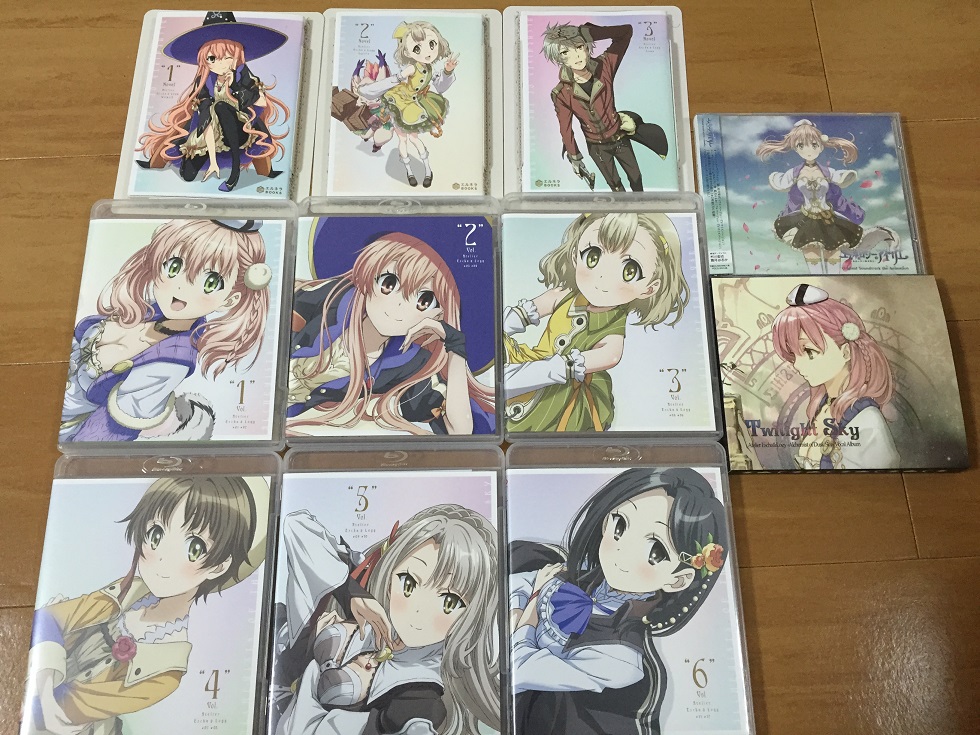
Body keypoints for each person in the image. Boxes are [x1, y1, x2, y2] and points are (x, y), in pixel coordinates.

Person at [24, 476, 266, 735]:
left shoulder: (165, 671)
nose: (162, 558)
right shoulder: (126, 592)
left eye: (194, 548)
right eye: (155, 534)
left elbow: (72, 708)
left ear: (219, 566)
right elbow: (47, 618)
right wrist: (43, 689)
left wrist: (41, 690)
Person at [509, 467, 728, 734]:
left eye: (655, 551)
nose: (622, 550)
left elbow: (518, 669)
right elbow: (514, 584)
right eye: (620, 525)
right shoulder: (580, 572)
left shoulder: (621, 658)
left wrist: (530, 606)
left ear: (677, 579)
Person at [272, 505, 500, 735]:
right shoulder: (365, 594)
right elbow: (296, 524)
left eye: (449, 601)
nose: (418, 610)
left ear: (472, 614)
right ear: (390, 571)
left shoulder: (420, 694)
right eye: (408, 582)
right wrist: (351, 593)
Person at [62, 219, 272, 443]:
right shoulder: (148, 309)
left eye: (210, 282)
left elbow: (110, 430)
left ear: (229, 300)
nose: (180, 286)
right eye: (174, 267)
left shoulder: (170, 362)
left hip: (67, 429)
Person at [287, 232, 495, 436]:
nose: (399, 306)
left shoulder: (408, 364)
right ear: (368, 273)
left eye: (423, 301)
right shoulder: (330, 300)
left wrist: (455, 344)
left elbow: (460, 431)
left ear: (439, 314)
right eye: (389, 284)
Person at [502, 212, 688, 432]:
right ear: (575, 255)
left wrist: (562, 367)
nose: (603, 277)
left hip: (565, 385)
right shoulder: (565, 295)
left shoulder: (613, 321)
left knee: (529, 409)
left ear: (649, 288)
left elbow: (610, 355)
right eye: (593, 256)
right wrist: (504, 324)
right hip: (536, 360)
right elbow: (529, 310)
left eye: (629, 271)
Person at [137, 11, 291, 192]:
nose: (221, 64)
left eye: (228, 57)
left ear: (238, 57)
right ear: (205, 60)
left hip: (241, 130)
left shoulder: (246, 79)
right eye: (212, 58)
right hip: (209, 133)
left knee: (225, 109)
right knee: (187, 172)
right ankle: (156, 164)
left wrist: (236, 88)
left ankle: (242, 172)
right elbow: (204, 119)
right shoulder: (204, 83)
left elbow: (260, 106)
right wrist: (212, 160)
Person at [771, 283, 900, 469]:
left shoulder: (867, 421)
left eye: (809, 351)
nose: (797, 364)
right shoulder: (823, 407)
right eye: (793, 354)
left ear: (846, 352)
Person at [757, 119, 898, 274]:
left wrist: (847, 177)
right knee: (812, 257)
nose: (808, 150)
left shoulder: (827, 172)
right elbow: (780, 183)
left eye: (814, 144)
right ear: (795, 148)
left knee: (833, 255)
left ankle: (836, 283)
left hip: (828, 219)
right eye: (801, 145)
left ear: (821, 145)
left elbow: (842, 178)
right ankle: (817, 282)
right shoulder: (794, 173)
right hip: (806, 219)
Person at [542, 22, 669, 191]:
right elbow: (565, 128)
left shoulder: (605, 66)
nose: (576, 56)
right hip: (597, 147)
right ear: (559, 58)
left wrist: (587, 33)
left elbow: (625, 32)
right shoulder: (561, 93)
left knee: (636, 178)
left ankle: (641, 207)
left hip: (619, 138)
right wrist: (575, 157)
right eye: (565, 52)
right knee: (615, 186)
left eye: (579, 46)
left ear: (587, 46)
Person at [356, 21, 459, 188]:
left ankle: (427, 170)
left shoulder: (430, 69)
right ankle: (410, 171)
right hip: (402, 102)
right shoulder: (411, 68)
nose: (427, 52)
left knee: (414, 139)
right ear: (407, 51)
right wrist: (374, 89)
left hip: (419, 102)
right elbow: (395, 80)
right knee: (404, 139)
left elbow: (441, 87)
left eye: (432, 44)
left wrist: (448, 71)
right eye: (417, 49)